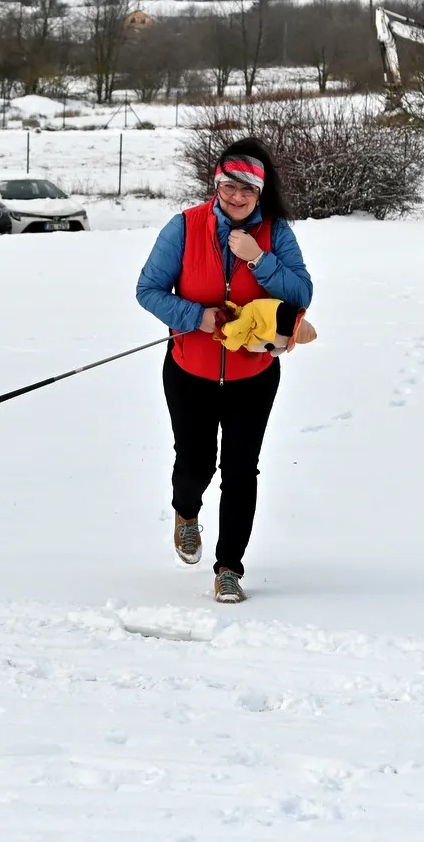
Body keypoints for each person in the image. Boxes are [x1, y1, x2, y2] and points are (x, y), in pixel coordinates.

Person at [135, 139, 314, 603]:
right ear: (216, 185)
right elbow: (148, 289)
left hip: (253, 376)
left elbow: (301, 293)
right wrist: (197, 316)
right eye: (229, 186)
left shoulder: (275, 233)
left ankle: (229, 568)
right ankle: (186, 512)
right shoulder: (185, 226)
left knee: (240, 471)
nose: (237, 197)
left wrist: (258, 257)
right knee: (194, 465)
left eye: (247, 189)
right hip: (189, 371)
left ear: (260, 193)